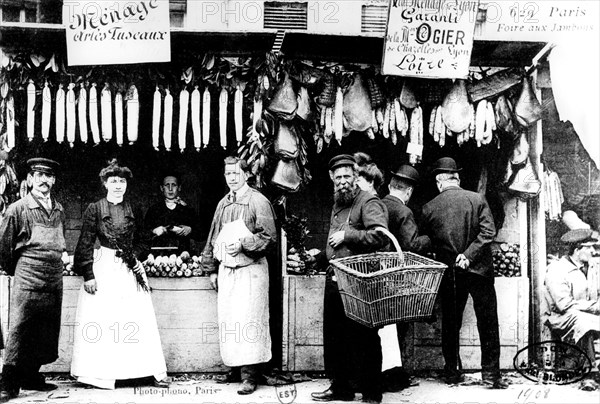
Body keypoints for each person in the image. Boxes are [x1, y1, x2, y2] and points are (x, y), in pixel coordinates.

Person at [70, 159, 170, 390]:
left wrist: (134, 256)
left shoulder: (133, 207)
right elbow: (85, 242)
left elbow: (144, 238)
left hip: (129, 268)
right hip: (104, 266)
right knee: (106, 321)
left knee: (135, 319)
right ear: (105, 183)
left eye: (122, 181)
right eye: (113, 181)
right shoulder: (95, 208)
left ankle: (142, 373)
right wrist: (88, 274)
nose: (118, 185)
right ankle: (98, 375)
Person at [420, 157, 508, 389]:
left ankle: (452, 373)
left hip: (450, 273)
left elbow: (426, 241)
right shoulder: (477, 199)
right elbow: (489, 232)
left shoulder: (429, 207)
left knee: (450, 323)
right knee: (488, 322)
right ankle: (490, 375)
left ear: (439, 182)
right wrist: (469, 255)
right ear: (456, 179)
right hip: (479, 270)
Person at [311, 154, 388, 404]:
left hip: (360, 281)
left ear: (356, 177)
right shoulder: (338, 203)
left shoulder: (369, 200)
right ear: (332, 178)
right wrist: (321, 257)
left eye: (348, 176)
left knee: (364, 337)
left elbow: (380, 236)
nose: (343, 181)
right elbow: (337, 241)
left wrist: (348, 235)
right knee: (335, 338)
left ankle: (371, 392)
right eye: (338, 177)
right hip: (335, 279)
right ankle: (341, 387)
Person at [201, 156, 277, 395]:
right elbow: (213, 236)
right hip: (228, 271)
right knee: (230, 320)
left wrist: (244, 244)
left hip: (251, 272)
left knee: (250, 320)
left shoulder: (258, 201)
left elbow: (269, 238)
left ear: (246, 174)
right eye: (228, 174)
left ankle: (250, 375)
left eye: (235, 173)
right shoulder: (223, 203)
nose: (231, 178)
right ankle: (234, 368)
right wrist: (211, 268)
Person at [0, 158, 65, 403]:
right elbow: (4, 247)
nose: (44, 180)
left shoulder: (58, 209)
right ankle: (8, 383)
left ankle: (30, 376)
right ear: (30, 179)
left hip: (53, 276)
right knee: (20, 328)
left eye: (48, 176)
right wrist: (16, 270)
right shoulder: (18, 208)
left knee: (45, 328)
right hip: (28, 275)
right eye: (39, 175)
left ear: (54, 180)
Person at [381, 165, 431, 389]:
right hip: (398, 277)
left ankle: (379, 373)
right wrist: (429, 238)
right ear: (408, 192)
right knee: (401, 326)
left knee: (380, 327)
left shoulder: (377, 204)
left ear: (391, 187)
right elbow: (412, 246)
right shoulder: (404, 212)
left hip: (377, 274)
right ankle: (401, 375)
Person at [543, 228, 600, 370]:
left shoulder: (593, 267)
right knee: (583, 322)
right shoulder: (556, 270)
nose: (593, 251)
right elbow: (564, 305)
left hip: (587, 313)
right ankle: (590, 370)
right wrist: (595, 306)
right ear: (577, 250)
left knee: (584, 320)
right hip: (560, 317)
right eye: (589, 247)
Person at [144, 171, 200, 254]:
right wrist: (154, 231)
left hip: (183, 257)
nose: (170, 189)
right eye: (167, 185)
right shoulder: (154, 210)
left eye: (174, 185)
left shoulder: (187, 210)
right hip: (158, 257)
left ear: (179, 187)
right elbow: (143, 234)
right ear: (161, 188)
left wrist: (190, 229)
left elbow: (201, 234)